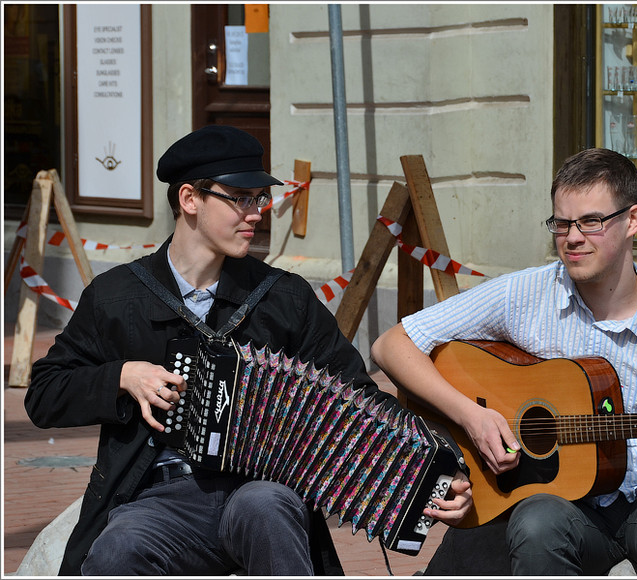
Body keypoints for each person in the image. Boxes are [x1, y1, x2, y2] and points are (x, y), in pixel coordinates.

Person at [25, 125, 471, 576]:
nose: (256, 213)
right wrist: (122, 376)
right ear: (190, 199)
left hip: (257, 488)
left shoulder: (284, 298)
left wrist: (437, 466)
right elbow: (43, 393)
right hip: (158, 499)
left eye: (259, 198)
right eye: (240, 198)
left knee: (268, 509)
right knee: (119, 548)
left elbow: (358, 396)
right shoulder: (117, 296)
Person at [371, 148, 637, 575]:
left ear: (632, 221)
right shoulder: (523, 295)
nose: (572, 237)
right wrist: (472, 418)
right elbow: (393, 345)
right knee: (535, 526)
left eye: (591, 222)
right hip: (557, 496)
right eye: (562, 223)